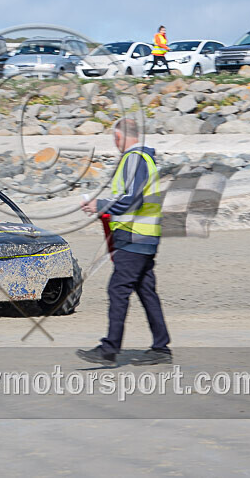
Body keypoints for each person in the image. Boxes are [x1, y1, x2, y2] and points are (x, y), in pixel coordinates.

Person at [76, 118, 171, 366]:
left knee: (117, 290)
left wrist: (100, 204)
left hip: (134, 237)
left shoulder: (134, 159)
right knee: (146, 291)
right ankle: (161, 347)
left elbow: (132, 198)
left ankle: (109, 349)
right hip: (144, 236)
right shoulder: (144, 158)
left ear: (118, 137)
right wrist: (103, 206)